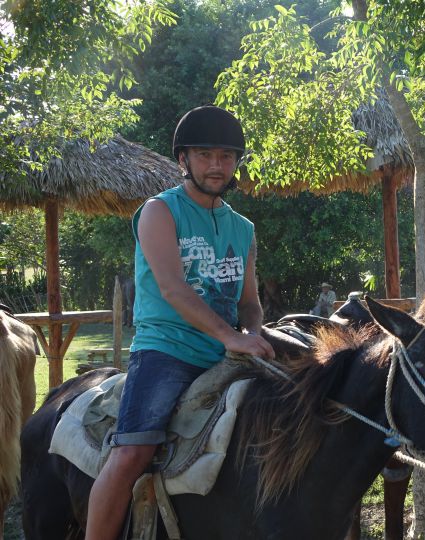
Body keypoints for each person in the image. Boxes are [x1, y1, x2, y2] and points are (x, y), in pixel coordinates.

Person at [85, 105, 275, 540]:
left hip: (226, 353)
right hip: (167, 350)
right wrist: (230, 336)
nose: (216, 165)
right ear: (184, 159)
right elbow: (172, 287)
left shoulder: (242, 228)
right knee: (133, 452)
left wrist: (253, 332)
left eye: (226, 156)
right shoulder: (159, 211)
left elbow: (249, 302)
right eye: (205, 155)